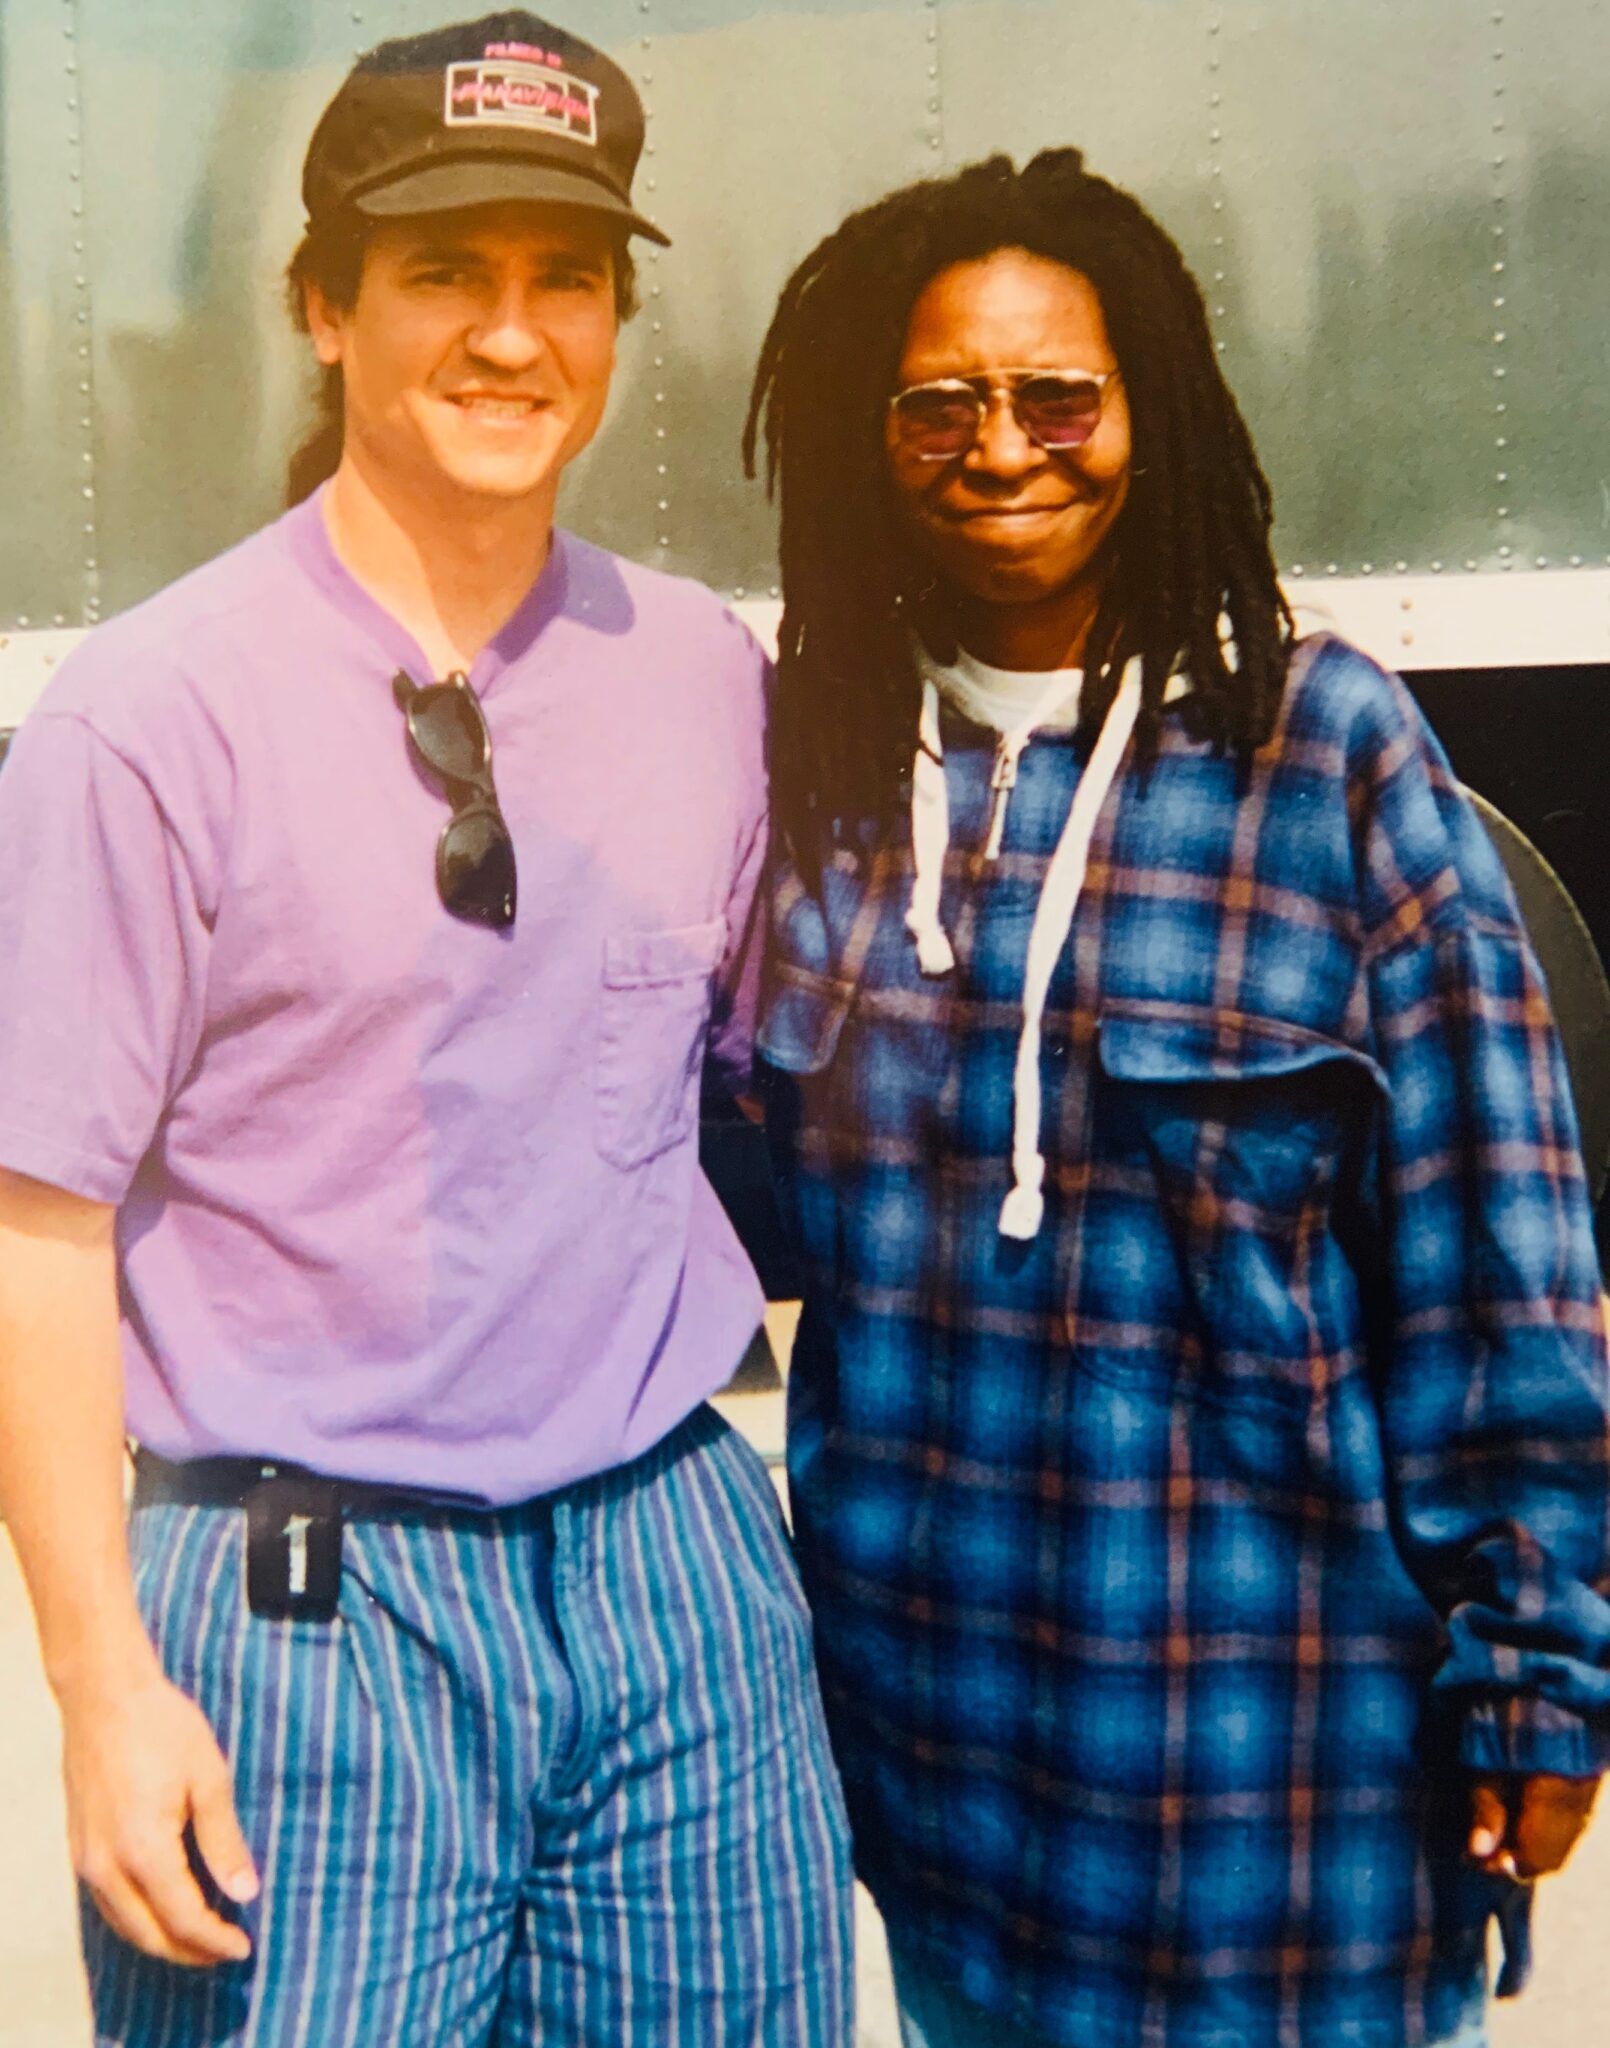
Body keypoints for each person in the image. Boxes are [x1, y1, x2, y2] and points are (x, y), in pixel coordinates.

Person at [0, 14, 852, 2044]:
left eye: (565, 278)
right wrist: (101, 1683)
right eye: (441, 272)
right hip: (307, 1610)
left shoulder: (698, 682)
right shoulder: (150, 716)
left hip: (672, 1576)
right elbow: (38, 1227)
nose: (510, 332)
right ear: (322, 305)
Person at [745, 147, 1609, 2048]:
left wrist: (1537, 1665)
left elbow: (1501, 1261)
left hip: (1283, 1792)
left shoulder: (1326, 755)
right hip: (940, 1786)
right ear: (863, 435)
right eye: (937, 404)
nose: (1001, 448)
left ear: (1152, 414)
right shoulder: (808, 777)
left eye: (1059, 397)